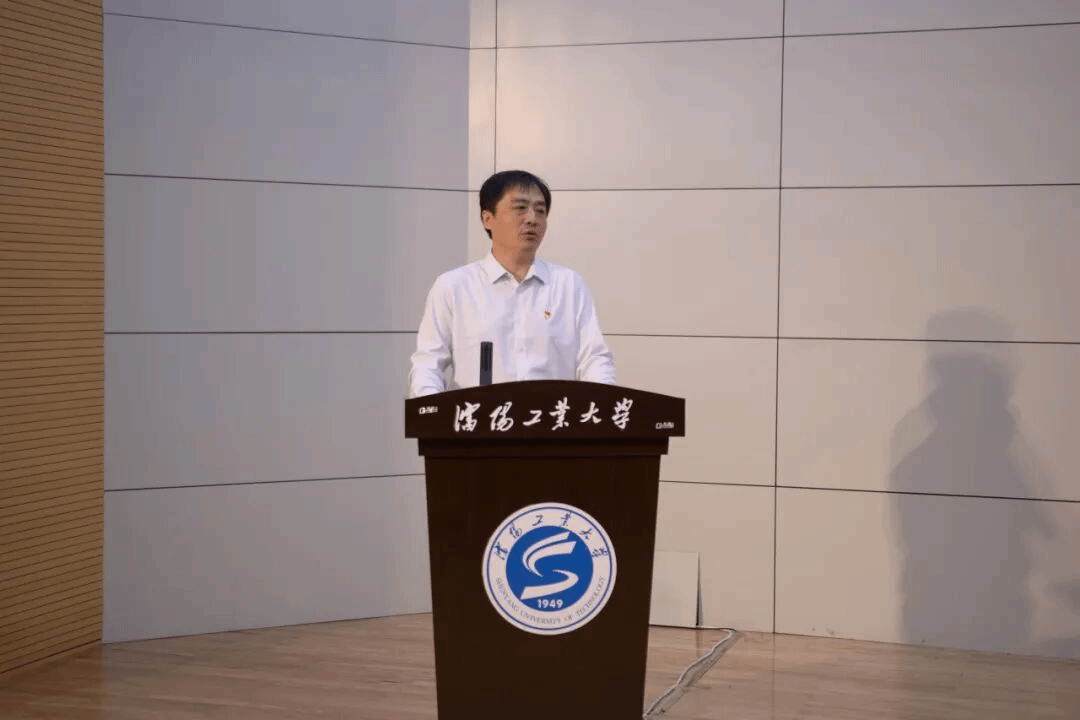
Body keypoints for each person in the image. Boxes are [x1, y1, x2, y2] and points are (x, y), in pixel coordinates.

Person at [408, 170, 616, 397]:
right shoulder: (454, 286)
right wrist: (431, 410)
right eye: (520, 208)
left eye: (540, 211)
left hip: (552, 417)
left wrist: (603, 405)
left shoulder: (568, 285)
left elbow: (594, 359)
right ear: (488, 219)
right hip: (479, 417)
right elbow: (428, 365)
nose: (532, 219)